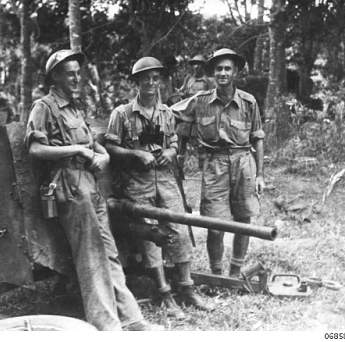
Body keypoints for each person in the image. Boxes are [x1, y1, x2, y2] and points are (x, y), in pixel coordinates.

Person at [25, 49, 157, 331]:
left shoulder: (75, 108)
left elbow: (94, 143)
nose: (76, 78)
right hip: (69, 185)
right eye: (70, 73)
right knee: (91, 255)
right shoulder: (44, 107)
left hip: (91, 185)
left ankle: (131, 318)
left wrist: (103, 156)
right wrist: (77, 151)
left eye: (77, 73)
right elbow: (35, 148)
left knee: (109, 251)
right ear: (55, 76)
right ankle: (106, 325)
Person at [105, 56, 210, 319]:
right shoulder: (122, 114)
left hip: (164, 178)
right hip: (137, 182)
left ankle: (186, 288)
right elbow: (109, 147)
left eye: (156, 78)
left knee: (180, 226)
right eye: (145, 78)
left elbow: (174, 142)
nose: (152, 83)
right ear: (137, 82)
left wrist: (171, 152)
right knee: (151, 235)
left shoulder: (166, 113)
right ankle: (164, 293)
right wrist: (135, 155)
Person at [171, 48, 265, 277]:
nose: (223, 73)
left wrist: (260, 174)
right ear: (213, 73)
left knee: (244, 219)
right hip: (214, 164)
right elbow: (170, 114)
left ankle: (235, 271)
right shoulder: (200, 101)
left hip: (243, 163)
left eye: (227, 69)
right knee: (214, 223)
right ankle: (216, 273)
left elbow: (258, 139)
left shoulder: (248, 102)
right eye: (219, 69)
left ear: (235, 73)